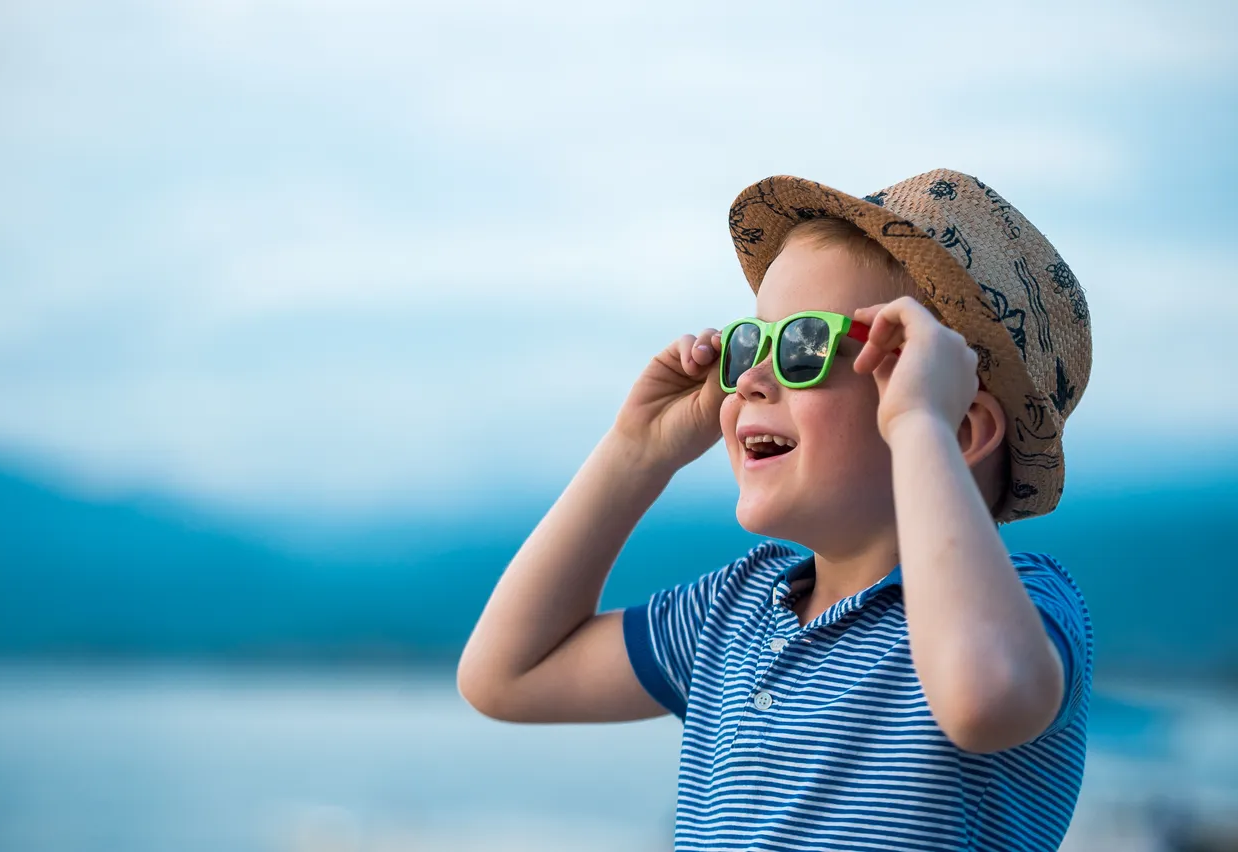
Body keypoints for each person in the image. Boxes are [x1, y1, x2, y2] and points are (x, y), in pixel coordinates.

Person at [457, 168, 1094, 851]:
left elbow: (984, 700)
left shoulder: (1019, 605)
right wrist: (635, 454)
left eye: (803, 348)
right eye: (749, 344)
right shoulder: (731, 612)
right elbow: (505, 677)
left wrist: (916, 424)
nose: (754, 379)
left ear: (961, 429)